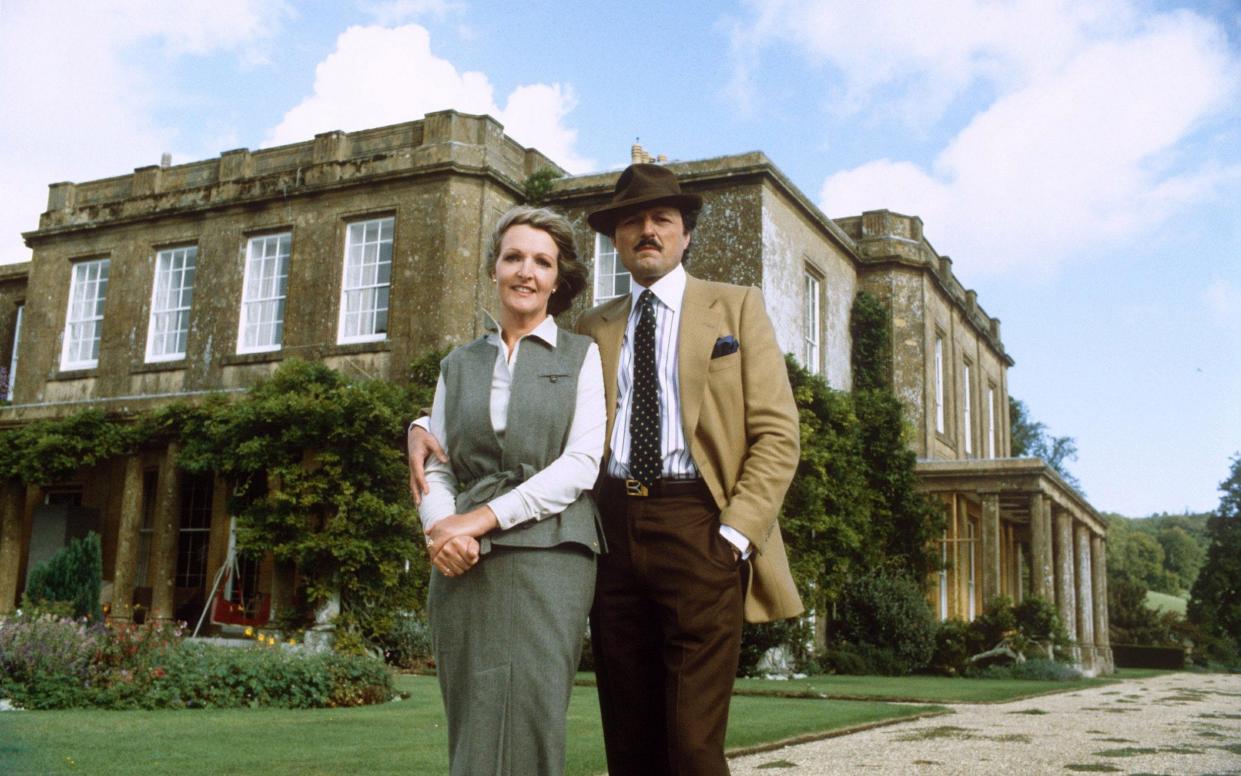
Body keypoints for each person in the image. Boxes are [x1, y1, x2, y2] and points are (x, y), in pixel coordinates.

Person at [411, 164, 802, 776]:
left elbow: (778, 434)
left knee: (694, 746)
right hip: (610, 532)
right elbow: (512, 385)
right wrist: (419, 424)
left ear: (685, 234)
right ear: (617, 240)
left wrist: (733, 535)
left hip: (700, 525)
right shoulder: (593, 328)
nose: (647, 230)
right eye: (632, 222)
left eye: (661, 220)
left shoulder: (736, 308)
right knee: (629, 738)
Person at [417, 205, 605, 776]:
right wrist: (441, 530)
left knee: (532, 711)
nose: (526, 271)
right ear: (495, 268)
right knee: (471, 716)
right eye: (514, 257)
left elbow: (581, 463)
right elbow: (437, 464)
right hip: (461, 563)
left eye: (542, 262)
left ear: (558, 278)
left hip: (551, 557)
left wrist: (480, 520)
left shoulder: (583, 356)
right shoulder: (458, 364)